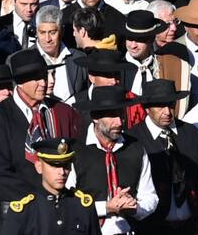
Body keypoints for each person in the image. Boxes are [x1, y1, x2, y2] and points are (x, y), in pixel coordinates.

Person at [0, 49, 80, 218]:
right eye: (37, 78)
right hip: (17, 207)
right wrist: (40, 198)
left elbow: (76, 158)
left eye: (44, 76)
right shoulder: (0, 115)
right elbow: (0, 171)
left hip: (58, 206)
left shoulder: (62, 111)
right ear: (20, 83)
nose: (44, 83)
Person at [68, 85, 159, 234]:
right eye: (111, 116)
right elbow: (68, 204)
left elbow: (150, 197)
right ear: (95, 117)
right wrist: (106, 207)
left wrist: (135, 208)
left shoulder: (135, 148)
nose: (119, 122)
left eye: (121, 114)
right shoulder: (77, 151)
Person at [128, 79, 198, 234]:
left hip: (191, 226)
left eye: (171, 104)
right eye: (160, 105)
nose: (167, 111)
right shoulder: (133, 139)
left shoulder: (191, 133)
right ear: (146, 108)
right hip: (151, 228)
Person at [0, 137, 99, 235]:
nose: (62, 172)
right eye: (54, 165)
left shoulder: (83, 207)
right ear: (39, 167)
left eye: (66, 166)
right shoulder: (24, 211)